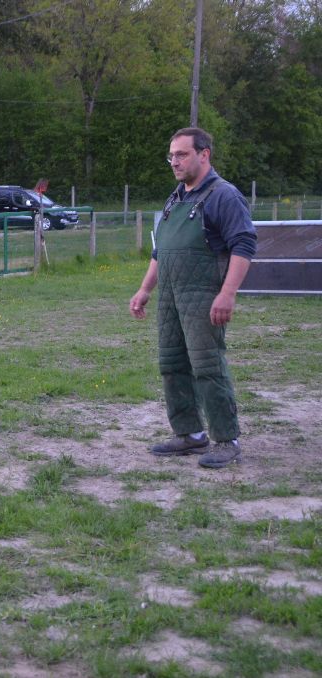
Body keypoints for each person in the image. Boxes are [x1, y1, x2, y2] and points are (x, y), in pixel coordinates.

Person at [129, 127, 257, 469]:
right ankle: (189, 434)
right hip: (170, 297)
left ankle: (226, 440)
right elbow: (161, 251)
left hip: (203, 295)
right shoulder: (176, 198)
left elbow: (244, 245)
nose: (174, 161)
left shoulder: (223, 196)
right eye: (171, 155)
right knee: (172, 363)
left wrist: (227, 294)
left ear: (204, 154)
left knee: (207, 365)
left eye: (182, 154)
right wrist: (145, 289)